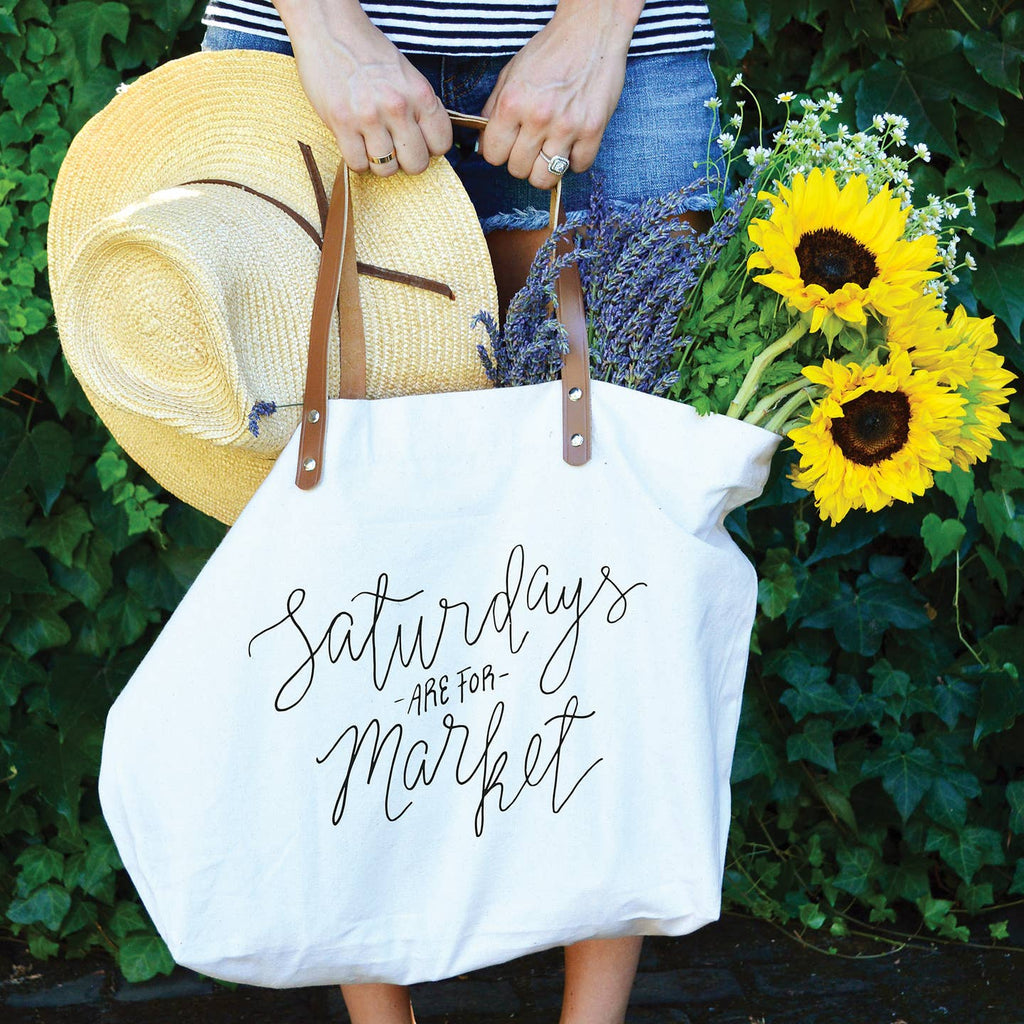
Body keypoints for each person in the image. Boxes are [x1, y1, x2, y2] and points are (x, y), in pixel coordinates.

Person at [200, 2, 722, 1020]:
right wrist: (322, 23)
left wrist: (596, 24)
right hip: (302, 50)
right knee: (335, 563)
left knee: (613, 560)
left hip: (618, 55)